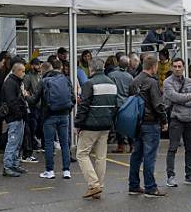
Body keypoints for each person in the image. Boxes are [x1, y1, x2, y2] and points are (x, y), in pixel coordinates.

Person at [75, 58, 120, 199]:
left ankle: (93, 184)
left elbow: (84, 106)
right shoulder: (112, 84)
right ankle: (99, 186)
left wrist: (78, 124)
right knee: (101, 157)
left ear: (91, 68)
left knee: (81, 154)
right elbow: (115, 106)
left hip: (90, 125)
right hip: (106, 125)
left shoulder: (89, 84)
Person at [128, 54, 167, 197]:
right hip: (150, 123)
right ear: (154, 67)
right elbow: (157, 104)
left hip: (137, 123)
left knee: (136, 155)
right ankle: (151, 187)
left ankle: (133, 185)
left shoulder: (134, 81)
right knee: (150, 156)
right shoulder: (151, 82)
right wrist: (164, 120)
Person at [163, 57, 191, 187]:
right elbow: (173, 96)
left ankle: (189, 175)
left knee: (190, 148)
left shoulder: (190, 82)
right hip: (176, 119)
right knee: (173, 148)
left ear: (184, 67)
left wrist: (184, 100)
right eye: (175, 66)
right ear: (172, 67)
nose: (177, 69)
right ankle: (170, 176)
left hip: (190, 119)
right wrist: (188, 97)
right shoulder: (167, 82)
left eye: (180, 66)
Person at [36, 61, 74, 179]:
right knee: (64, 143)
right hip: (64, 115)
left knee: (49, 143)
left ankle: (50, 170)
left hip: (49, 116)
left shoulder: (43, 81)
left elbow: (34, 100)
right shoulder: (66, 79)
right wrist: (67, 110)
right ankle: (66, 170)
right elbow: (73, 98)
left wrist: (26, 96)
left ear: (43, 71)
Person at [1, 62, 29, 177]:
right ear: (16, 71)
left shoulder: (14, 82)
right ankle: (8, 166)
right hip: (14, 117)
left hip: (18, 116)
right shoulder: (11, 84)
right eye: (22, 71)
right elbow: (11, 101)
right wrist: (19, 113)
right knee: (13, 142)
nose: (24, 73)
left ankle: (14, 164)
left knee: (17, 142)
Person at [107, 55, 135, 154]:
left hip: (115, 103)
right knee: (129, 125)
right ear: (128, 65)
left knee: (118, 126)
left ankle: (121, 146)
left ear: (118, 63)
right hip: (126, 103)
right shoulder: (130, 77)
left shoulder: (111, 75)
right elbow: (133, 91)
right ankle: (132, 145)